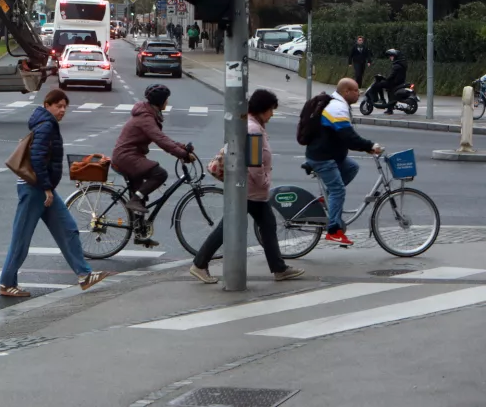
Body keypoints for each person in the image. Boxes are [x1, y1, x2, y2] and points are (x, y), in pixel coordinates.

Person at [0, 89, 111, 297]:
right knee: (21, 237)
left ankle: (84, 274)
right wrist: (47, 188)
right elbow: (37, 158)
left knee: (67, 228)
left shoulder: (46, 124)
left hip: (42, 188)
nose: (62, 110)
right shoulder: (47, 126)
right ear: (47, 105)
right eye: (58, 106)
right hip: (35, 189)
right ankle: (7, 283)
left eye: (64, 106)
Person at [190, 90, 305, 284]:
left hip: (251, 190)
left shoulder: (253, 125)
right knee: (229, 227)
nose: (272, 115)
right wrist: (264, 182)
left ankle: (279, 268)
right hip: (250, 190)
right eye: (271, 110)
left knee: (266, 225)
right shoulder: (253, 129)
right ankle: (200, 264)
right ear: (262, 109)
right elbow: (253, 162)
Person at [305, 78, 383, 246]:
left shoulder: (338, 104)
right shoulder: (337, 108)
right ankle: (333, 231)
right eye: (356, 91)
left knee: (352, 167)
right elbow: (349, 137)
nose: (359, 93)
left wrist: (366, 148)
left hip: (329, 154)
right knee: (338, 190)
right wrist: (370, 145)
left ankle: (326, 198)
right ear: (346, 92)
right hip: (323, 157)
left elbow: (346, 137)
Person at [112, 84, 195, 215]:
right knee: (160, 174)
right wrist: (182, 154)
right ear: (161, 101)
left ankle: (139, 232)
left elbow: (162, 137)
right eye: (166, 99)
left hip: (130, 156)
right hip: (127, 157)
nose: (167, 102)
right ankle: (135, 200)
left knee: (141, 197)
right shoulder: (145, 118)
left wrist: (182, 147)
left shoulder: (148, 114)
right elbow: (160, 140)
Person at [370, 49, 408, 114]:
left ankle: (382, 100)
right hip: (399, 82)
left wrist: (384, 78)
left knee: (378, 85)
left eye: (391, 56)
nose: (390, 58)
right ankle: (389, 109)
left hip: (394, 82)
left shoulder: (396, 66)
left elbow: (391, 76)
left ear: (395, 57)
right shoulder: (401, 64)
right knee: (388, 90)